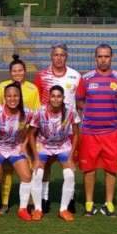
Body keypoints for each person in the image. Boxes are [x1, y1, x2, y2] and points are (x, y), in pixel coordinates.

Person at [76, 44, 117, 217]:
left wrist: (114, 114)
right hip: (89, 132)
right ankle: (89, 204)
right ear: (95, 58)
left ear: (111, 57)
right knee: (89, 169)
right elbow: (79, 101)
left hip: (112, 133)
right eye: (100, 56)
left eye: (106, 56)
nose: (103, 59)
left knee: (111, 169)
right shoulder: (86, 79)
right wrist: (92, 112)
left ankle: (109, 204)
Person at [34, 43, 81, 212]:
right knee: (44, 165)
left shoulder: (76, 76)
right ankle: (44, 199)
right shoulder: (42, 76)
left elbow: (80, 101)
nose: (59, 58)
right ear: (51, 56)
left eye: (62, 55)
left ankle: (70, 200)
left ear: (66, 56)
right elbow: (37, 101)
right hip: (47, 128)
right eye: (56, 55)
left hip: (68, 129)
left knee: (69, 164)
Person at [29, 85, 80, 221]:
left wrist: (70, 156)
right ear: (49, 98)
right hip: (43, 146)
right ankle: (38, 209)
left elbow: (76, 134)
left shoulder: (70, 111)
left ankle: (63, 209)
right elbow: (31, 135)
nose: (56, 99)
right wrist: (35, 157)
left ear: (63, 98)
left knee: (69, 175)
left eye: (59, 96)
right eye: (53, 96)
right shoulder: (40, 112)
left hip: (63, 146)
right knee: (37, 173)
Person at [0, 54, 41, 214]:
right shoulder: (2, 87)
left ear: (24, 71)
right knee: (7, 169)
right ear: (10, 73)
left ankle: (29, 202)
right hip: (7, 136)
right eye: (14, 71)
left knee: (29, 167)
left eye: (20, 70)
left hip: (26, 135)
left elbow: (36, 113)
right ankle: (4, 202)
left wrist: (30, 136)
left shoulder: (32, 89)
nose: (17, 73)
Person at [0, 83, 35, 222]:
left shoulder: (27, 112)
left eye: (15, 96)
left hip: (15, 148)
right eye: (9, 96)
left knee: (26, 176)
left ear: (20, 97)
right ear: (4, 97)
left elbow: (33, 127)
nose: (12, 99)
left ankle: (22, 209)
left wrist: (24, 145)